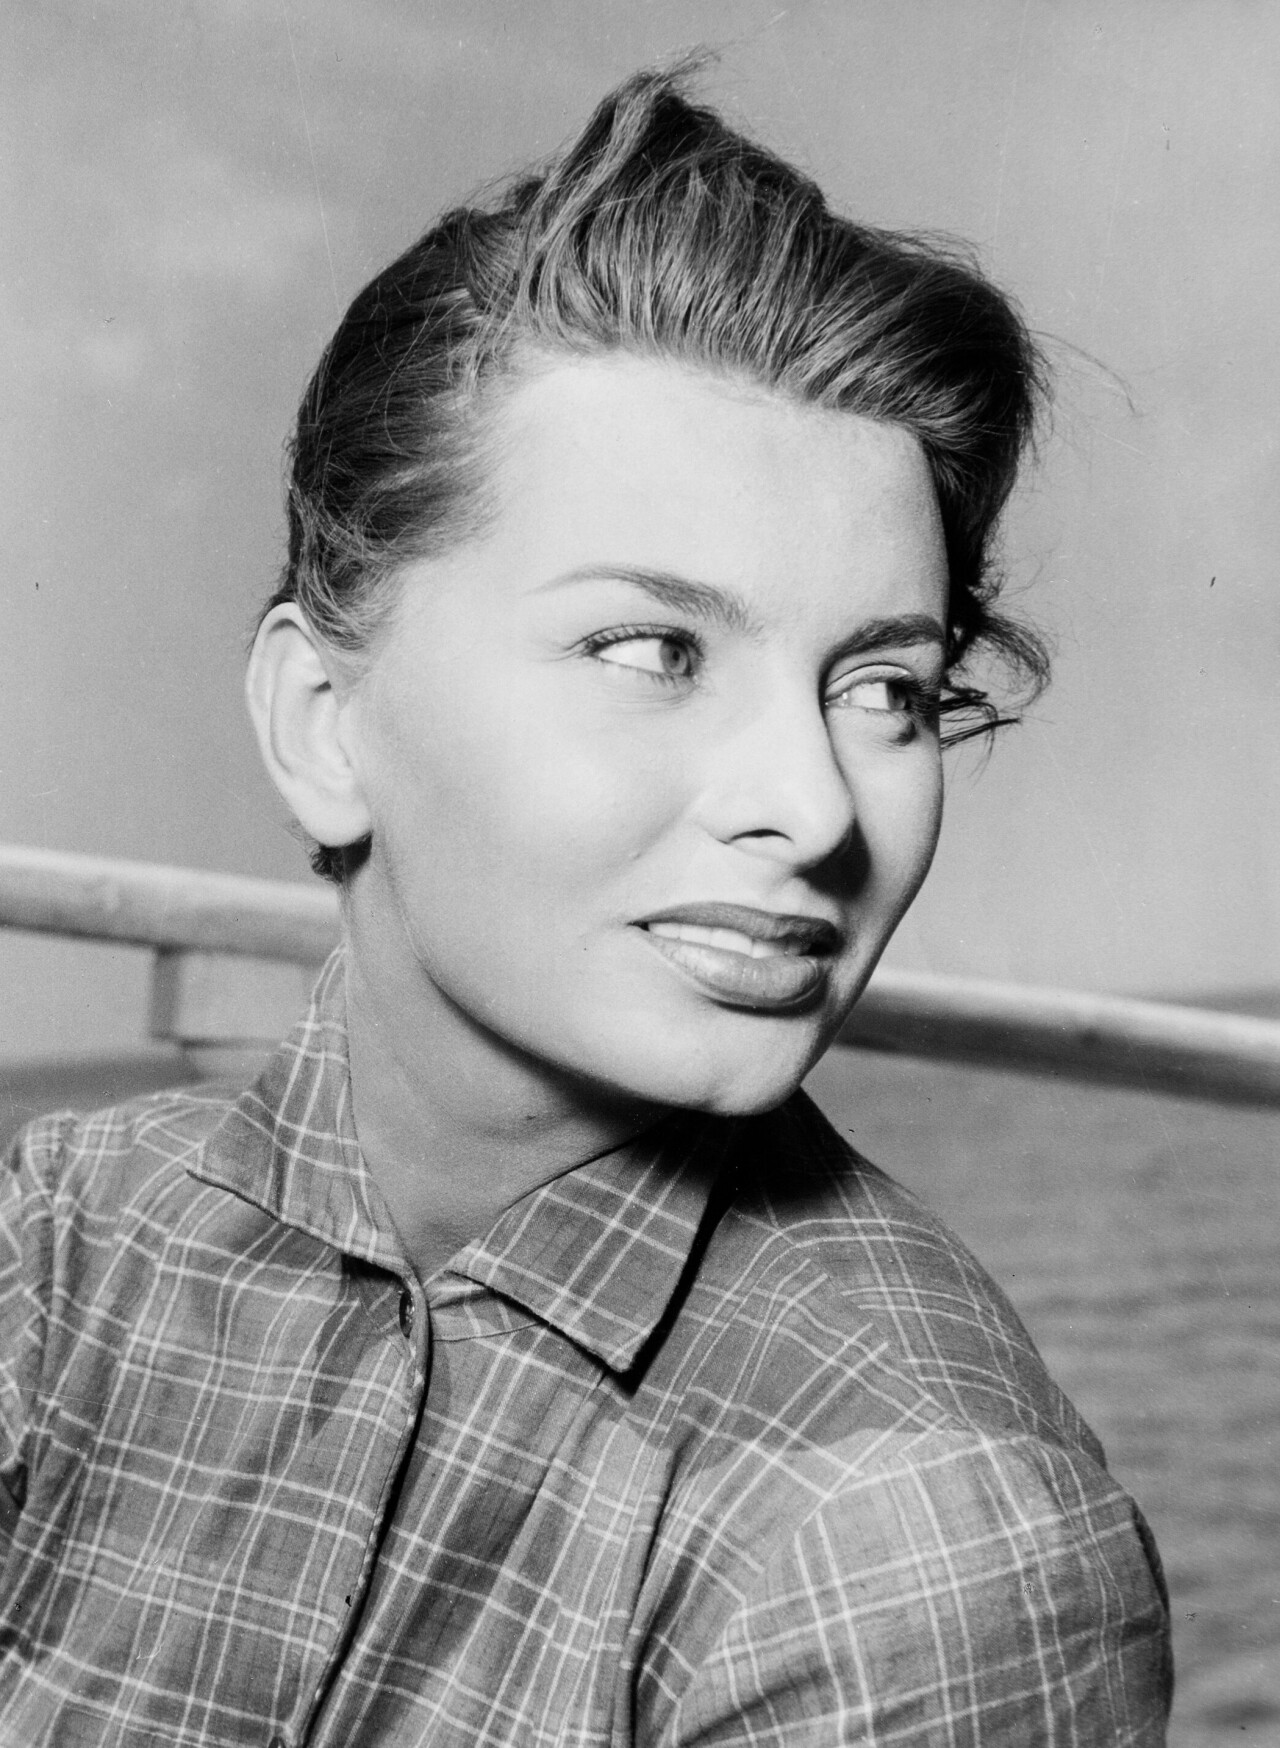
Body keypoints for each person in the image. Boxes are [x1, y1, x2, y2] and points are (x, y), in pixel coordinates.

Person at [0, 66, 1171, 1746]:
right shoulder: (59, 1244)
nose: (814, 805)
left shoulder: (906, 1539)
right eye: (652, 649)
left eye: (888, 690)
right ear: (325, 725)